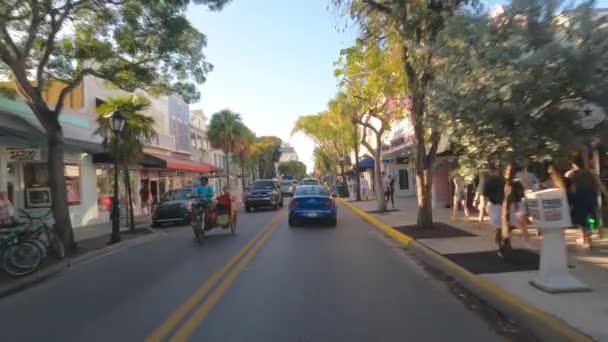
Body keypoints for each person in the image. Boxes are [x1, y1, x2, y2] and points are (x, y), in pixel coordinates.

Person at [494, 180, 530, 256]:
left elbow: (506, 211)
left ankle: (503, 248)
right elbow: (524, 209)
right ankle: (506, 246)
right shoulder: (520, 199)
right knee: (505, 233)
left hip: (511, 219)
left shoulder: (508, 199)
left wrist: (505, 219)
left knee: (503, 234)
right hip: (517, 218)